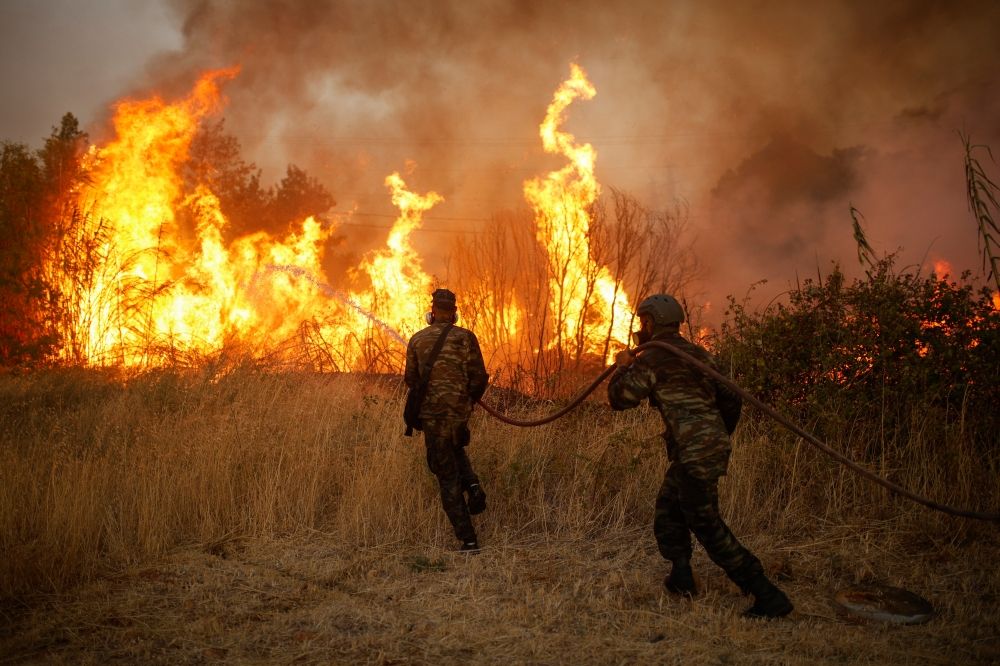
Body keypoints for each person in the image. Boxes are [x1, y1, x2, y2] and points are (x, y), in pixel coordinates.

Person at [607, 294, 793, 619]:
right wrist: (715, 436)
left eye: (642, 323)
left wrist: (623, 367)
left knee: (705, 523)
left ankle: (765, 592)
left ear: (649, 323)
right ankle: (681, 577)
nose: (640, 328)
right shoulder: (700, 355)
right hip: (706, 447)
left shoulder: (652, 358)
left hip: (695, 452)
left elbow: (621, 399)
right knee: (669, 506)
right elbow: (732, 400)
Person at [404, 288, 490, 552]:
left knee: (446, 476)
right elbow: (479, 378)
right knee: (456, 449)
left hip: (432, 417)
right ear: (454, 313)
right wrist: (465, 402)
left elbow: (411, 380)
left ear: (432, 313)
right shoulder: (466, 338)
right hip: (458, 415)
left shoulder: (417, 340)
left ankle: (469, 540)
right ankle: (474, 486)